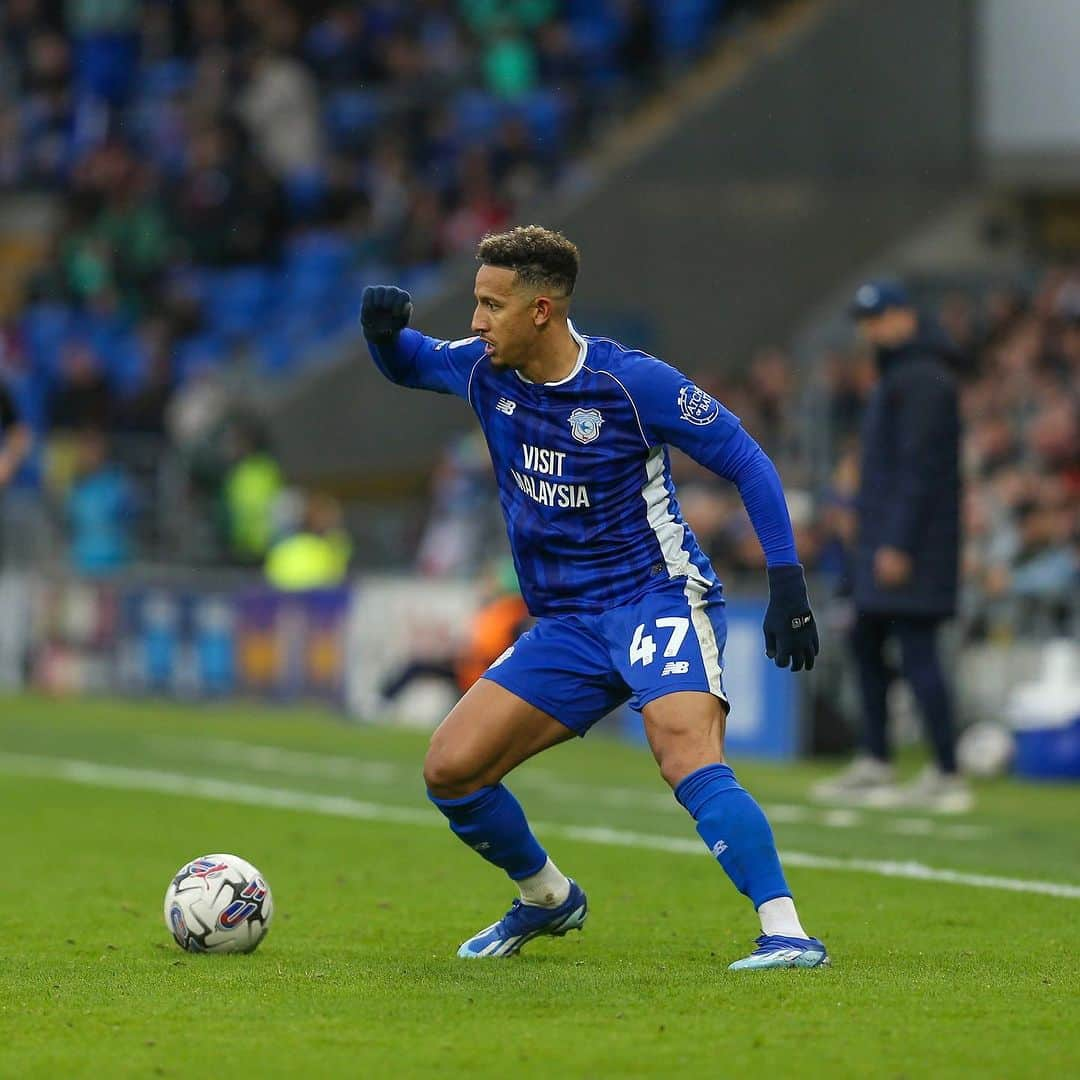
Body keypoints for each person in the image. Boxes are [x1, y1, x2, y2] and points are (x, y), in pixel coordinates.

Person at [361, 225, 826, 970]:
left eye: (490, 305)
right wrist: (383, 335)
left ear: (541, 309)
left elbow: (747, 459)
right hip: (566, 625)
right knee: (450, 769)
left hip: (653, 597)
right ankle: (548, 898)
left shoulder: (629, 383)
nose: (476, 323)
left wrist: (787, 582)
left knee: (684, 753)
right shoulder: (484, 370)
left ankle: (788, 932)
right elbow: (410, 361)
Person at [813, 281, 969, 813]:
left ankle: (947, 770)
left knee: (919, 650)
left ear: (904, 316)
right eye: (865, 320)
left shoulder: (923, 380)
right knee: (865, 641)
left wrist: (897, 541)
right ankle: (876, 759)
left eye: (877, 318)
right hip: (879, 538)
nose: (870, 329)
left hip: (911, 544)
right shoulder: (897, 376)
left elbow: (920, 469)